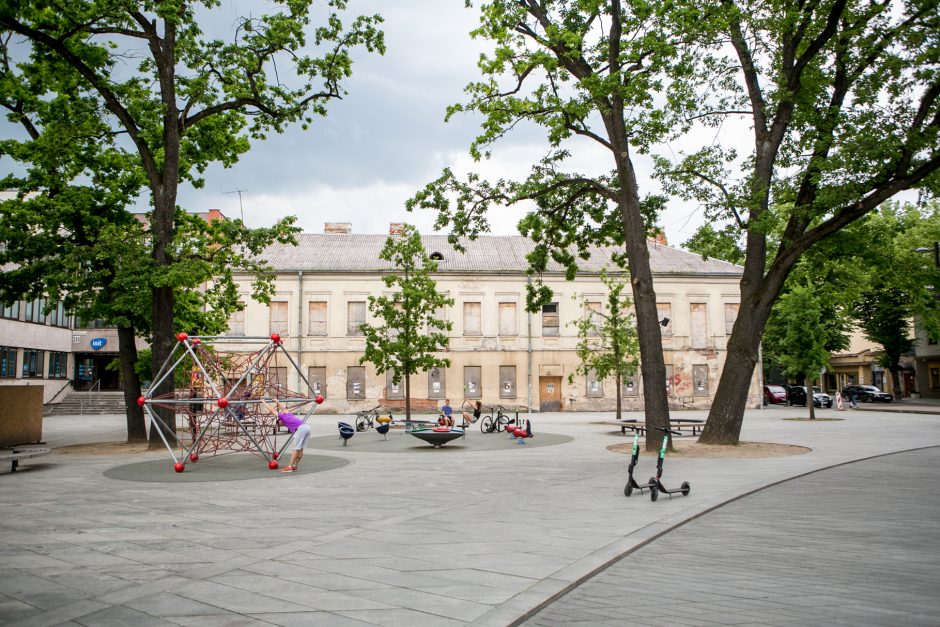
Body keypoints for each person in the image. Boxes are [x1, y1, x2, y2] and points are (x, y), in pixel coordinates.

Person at [260, 399, 310, 473]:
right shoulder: (288, 414)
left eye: (278, 422)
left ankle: (290, 466)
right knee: (301, 449)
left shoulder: (282, 416)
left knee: (296, 448)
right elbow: (283, 408)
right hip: (307, 427)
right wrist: (277, 402)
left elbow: (271, 410)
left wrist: (263, 402)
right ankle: (295, 466)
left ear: (280, 420)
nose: (279, 424)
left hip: (301, 429)